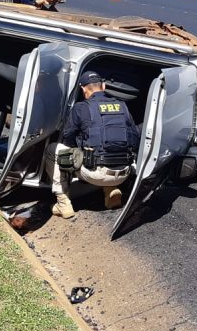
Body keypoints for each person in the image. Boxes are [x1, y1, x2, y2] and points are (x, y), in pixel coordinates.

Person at [45, 70, 140, 219]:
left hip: (95, 174)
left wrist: (80, 148)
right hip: (124, 173)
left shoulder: (81, 107)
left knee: (54, 149)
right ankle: (111, 190)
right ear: (103, 86)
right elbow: (135, 138)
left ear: (83, 89)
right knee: (108, 148)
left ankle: (63, 203)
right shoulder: (122, 105)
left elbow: (67, 138)